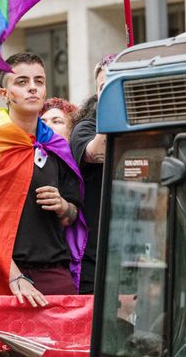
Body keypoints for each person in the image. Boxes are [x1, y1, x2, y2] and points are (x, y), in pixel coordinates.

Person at [0, 53, 86, 306]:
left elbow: (74, 214)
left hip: (54, 271)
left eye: (39, 81)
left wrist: (63, 206)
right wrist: (14, 277)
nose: (32, 88)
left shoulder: (56, 145)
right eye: (22, 81)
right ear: (4, 94)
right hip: (4, 275)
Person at [69, 53, 116, 295]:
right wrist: (114, 109)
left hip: (133, 257)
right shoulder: (85, 128)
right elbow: (94, 152)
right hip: (95, 261)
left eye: (115, 83)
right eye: (103, 87)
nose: (109, 90)